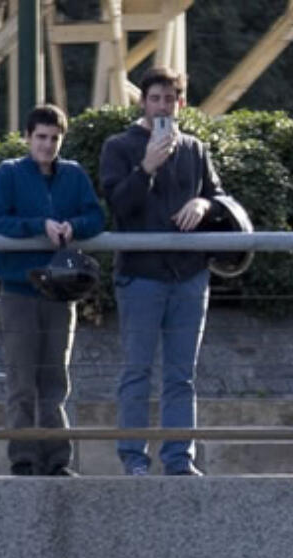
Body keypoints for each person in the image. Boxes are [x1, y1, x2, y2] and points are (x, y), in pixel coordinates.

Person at [99, 67, 223, 477]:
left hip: (189, 276)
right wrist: (146, 167)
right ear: (143, 102)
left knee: (181, 375)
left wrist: (204, 205)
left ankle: (178, 459)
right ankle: (133, 459)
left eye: (170, 99)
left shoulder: (194, 147)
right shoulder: (119, 146)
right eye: (155, 99)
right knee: (137, 370)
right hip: (141, 276)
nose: (163, 106)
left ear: (181, 104)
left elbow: (217, 194)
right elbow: (119, 205)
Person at [0, 104, 104, 478]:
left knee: (55, 379)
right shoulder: (8, 173)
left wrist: (73, 227)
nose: (47, 145)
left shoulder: (74, 175)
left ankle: (57, 459)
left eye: (54, 139)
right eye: (41, 137)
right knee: (22, 378)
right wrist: (40, 225)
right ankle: (22, 458)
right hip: (20, 289)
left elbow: (96, 217)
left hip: (59, 291)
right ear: (28, 138)